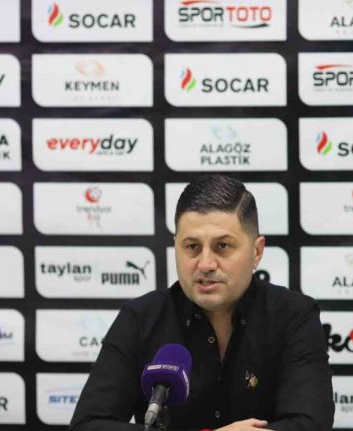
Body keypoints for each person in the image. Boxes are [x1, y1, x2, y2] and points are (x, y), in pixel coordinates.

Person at [70, 174, 334, 431]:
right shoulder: (139, 319)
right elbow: (88, 424)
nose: (206, 264)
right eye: (192, 247)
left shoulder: (294, 316)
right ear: (176, 247)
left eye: (223, 246)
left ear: (256, 252)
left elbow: (311, 423)